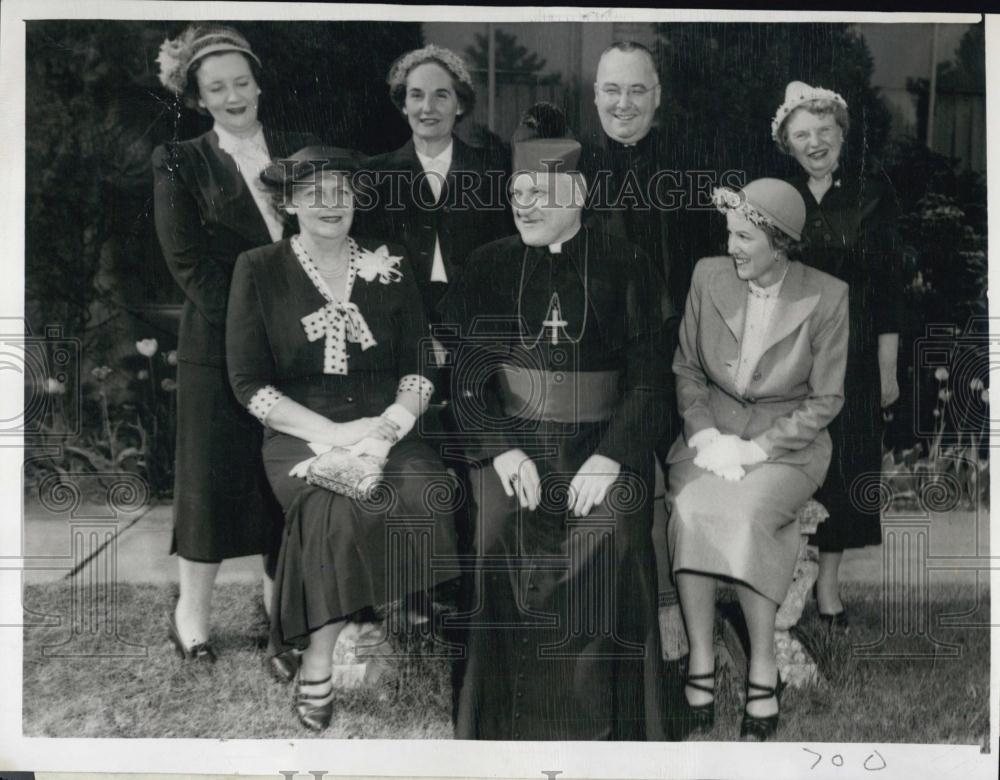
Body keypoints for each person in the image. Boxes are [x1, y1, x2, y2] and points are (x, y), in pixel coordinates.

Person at [442, 109, 675, 740]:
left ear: (577, 197)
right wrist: (498, 451)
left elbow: (653, 381)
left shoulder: (627, 264)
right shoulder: (487, 267)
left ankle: (613, 728)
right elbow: (465, 377)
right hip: (514, 444)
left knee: (620, 534)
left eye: (538, 196)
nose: (522, 206)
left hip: (600, 444)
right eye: (516, 194)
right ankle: (502, 726)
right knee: (495, 538)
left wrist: (614, 456)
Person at [225, 146, 459, 732]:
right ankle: (319, 661)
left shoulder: (394, 264)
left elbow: (420, 368)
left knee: (425, 487)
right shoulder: (258, 267)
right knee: (331, 505)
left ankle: (374, 622)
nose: (331, 204)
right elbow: (248, 383)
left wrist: (382, 434)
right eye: (314, 192)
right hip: (301, 429)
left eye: (342, 192)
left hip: (385, 424)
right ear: (289, 202)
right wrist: (333, 435)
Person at [151, 24, 318, 667]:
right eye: (216, 87)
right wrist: (257, 326)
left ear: (257, 84)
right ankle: (191, 615)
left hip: (298, 344)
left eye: (240, 82)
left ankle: (283, 613)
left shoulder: (295, 153)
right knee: (210, 483)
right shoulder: (180, 160)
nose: (232, 95)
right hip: (217, 342)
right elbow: (189, 263)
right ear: (198, 98)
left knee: (283, 476)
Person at [665, 178, 848, 740]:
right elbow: (688, 370)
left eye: (744, 237)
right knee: (692, 509)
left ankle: (762, 670)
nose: (732, 247)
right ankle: (700, 659)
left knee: (745, 515)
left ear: (780, 243)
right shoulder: (707, 275)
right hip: (709, 439)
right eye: (729, 234)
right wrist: (704, 437)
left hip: (787, 447)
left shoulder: (828, 295)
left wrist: (756, 448)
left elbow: (826, 400)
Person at [772, 81, 903, 626]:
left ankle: (827, 590)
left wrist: (887, 369)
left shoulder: (874, 195)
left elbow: (890, 288)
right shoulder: (778, 197)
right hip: (792, 354)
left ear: (842, 135)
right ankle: (781, 586)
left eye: (824, 130)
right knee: (794, 464)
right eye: (802, 134)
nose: (815, 141)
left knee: (845, 470)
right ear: (788, 144)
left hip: (852, 355)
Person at [580, 39, 687, 661]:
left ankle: (667, 619)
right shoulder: (570, 171)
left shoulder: (689, 173)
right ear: (595, 96)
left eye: (637, 90)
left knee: (656, 485)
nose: (624, 103)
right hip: (592, 363)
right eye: (611, 90)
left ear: (657, 96)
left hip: (669, 362)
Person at [361, 44, 511, 319]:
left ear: (460, 104)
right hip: (400, 327)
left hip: (478, 328)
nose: (427, 108)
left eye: (441, 95)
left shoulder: (495, 172)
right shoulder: (374, 176)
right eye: (416, 95)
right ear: (403, 105)